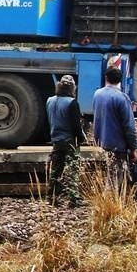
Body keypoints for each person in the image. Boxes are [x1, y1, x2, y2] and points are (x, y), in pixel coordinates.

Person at [92, 66, 137, 190]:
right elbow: (129, 126)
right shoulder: (122, 98)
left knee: (110, 172)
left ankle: (109, 202)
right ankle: (111, 205)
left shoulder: (98, 94)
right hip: (118, 144)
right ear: (120, 80)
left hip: (103, 141)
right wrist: (133, 148)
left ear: (106, 77)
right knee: (116, 178)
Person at [45, 74, 87, 207]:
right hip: (69, 141)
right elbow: (76, 125)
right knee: (72, 170)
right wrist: (81, 138)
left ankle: (51, 197)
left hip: (56, 140)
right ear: (72, 88)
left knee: (56, 170)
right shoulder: (72, 103)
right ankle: (73, 199)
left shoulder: (50, 101)